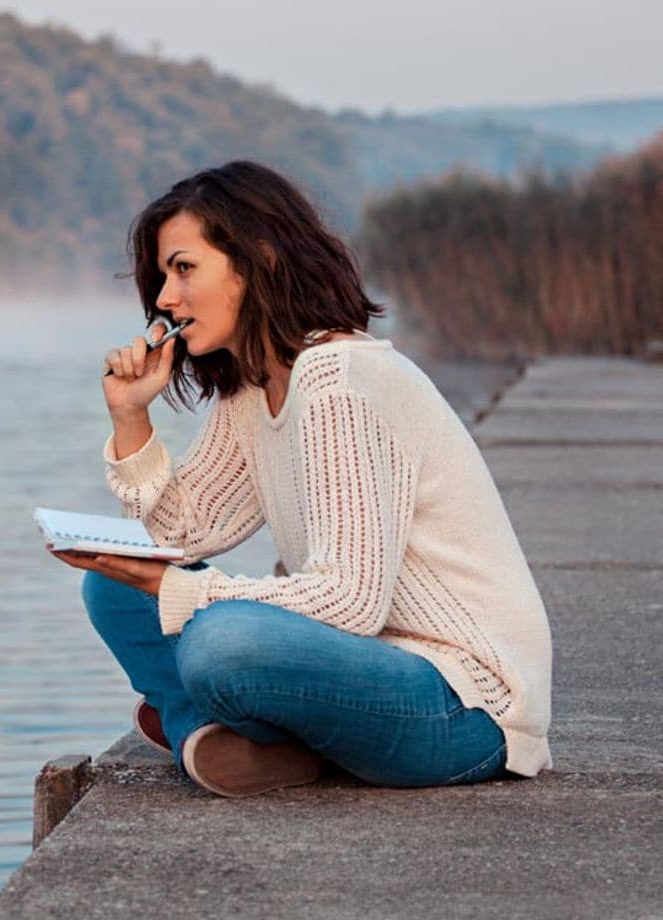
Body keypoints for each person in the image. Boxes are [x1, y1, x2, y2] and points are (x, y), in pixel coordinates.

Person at [50, 160, 552, 797]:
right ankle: (225, 740)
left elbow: (349, 600)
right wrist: (130, 417)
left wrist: (181, 592)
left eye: (183, 268)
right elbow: (174, 534)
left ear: (258, 259)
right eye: (161, 278)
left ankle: (216, 726)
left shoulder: (337, 381)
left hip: (464, 706)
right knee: (115, 587)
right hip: (363, 674)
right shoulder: (255, 388)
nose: (165, 300)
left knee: (222, 643)